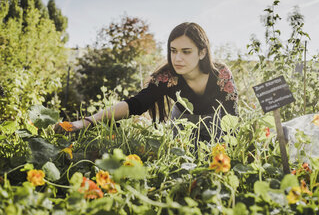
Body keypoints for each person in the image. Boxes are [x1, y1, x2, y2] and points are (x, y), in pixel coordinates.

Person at [55, 22, 238, 144]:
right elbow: (135, 104)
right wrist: (85, 122)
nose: (177, 58)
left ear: (202, 52)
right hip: (183, 123)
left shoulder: (220, 75)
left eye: (186, 51)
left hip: (216, 122)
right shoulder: (167, 77)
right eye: (173, 51)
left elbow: (232, 114)